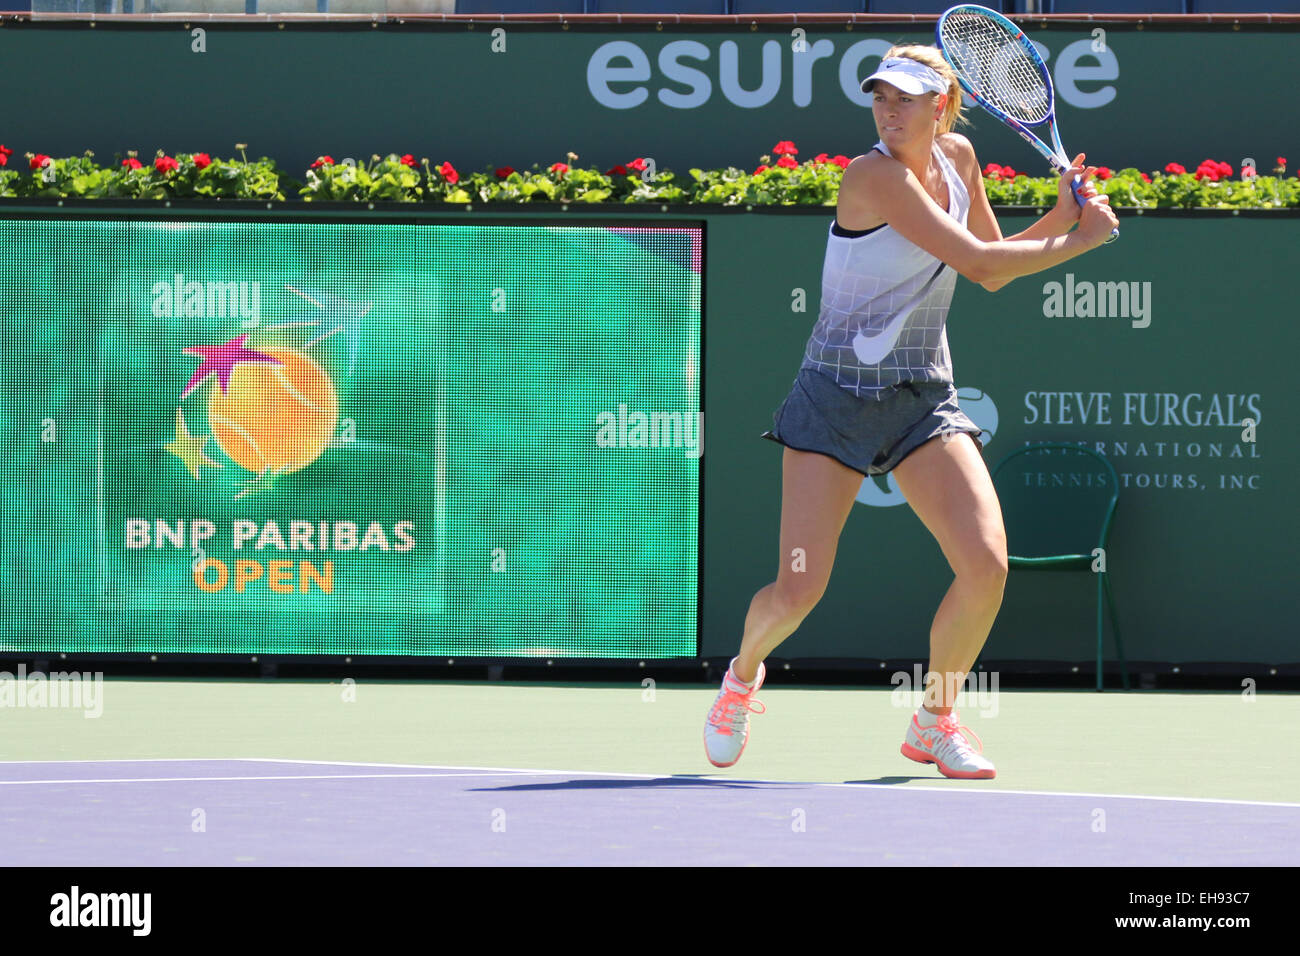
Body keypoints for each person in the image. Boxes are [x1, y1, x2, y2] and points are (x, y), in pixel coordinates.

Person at [703, 45, 1119, 780]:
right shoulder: (871, 176)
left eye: (907, 98)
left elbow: (986, 260)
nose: (890, 111)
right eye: (881, 98)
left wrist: (1058, 218)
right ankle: (742, 675)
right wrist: (1079, 241)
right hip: (833, 399)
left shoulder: (958, 158)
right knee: (798, 590)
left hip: (922, 398)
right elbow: (988, 267)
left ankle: (936, 718)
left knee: (986, 566)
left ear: (943, 105)